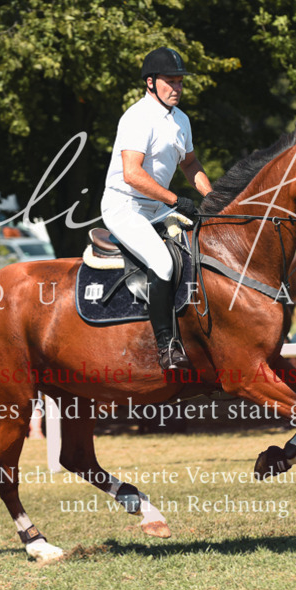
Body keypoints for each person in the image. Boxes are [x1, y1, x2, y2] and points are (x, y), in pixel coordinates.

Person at [100, 47, 213, 370]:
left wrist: (214, 199)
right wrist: (175, 200)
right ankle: (166, 346)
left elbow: (191, 164)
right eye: (170, 82)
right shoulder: (137, 117)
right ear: (150, 82)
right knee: (163, 264)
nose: (177, 88)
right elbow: (133, 173)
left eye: (180, 82)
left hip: (158, 208)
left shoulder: (181, 120)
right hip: (125, 206)